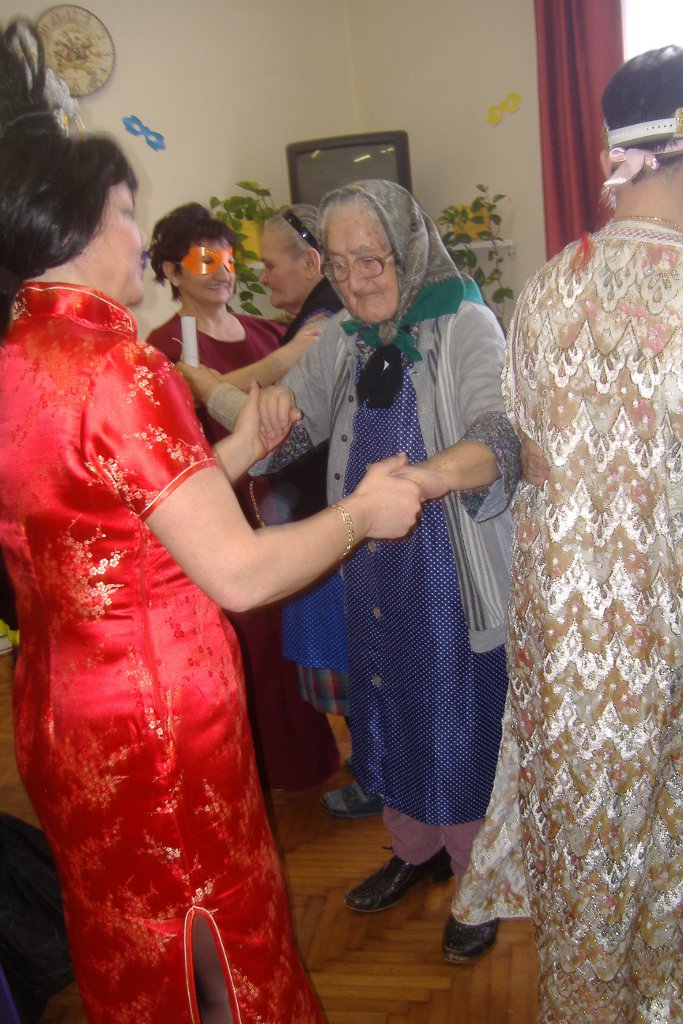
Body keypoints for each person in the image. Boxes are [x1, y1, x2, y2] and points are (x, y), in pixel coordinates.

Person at [0, 23, 422, 1024]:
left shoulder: (18, 358)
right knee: (213, 937)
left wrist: (229, 453)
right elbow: (235, 571)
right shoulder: (118, 365)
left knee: (127, 932)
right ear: (79, 222)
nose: (137, 232)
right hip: (158, 721)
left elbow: (106, 517)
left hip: (61, 710)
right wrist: (362, 511)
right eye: (125, 210)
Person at [212, 179, 520, 959]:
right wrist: (260, 416)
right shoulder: (345, 338)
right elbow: (288, 430)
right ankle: (415, 852)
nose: (354, 282)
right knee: (384, 707)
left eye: (371, 260)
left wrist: (421, 479)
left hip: (447, 567)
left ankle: (477, 881)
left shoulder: (465, 322)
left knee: (457, 722)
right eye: (339, 264)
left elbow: (498, 437)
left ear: (408, 249)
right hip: (371, 560)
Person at [452, 44, 683, 1022]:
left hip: (563, 648)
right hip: (661, 642)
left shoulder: (545, 288)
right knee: (659, 860)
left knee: (586, 865)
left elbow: (522, 457)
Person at [183, 205, 383, 817]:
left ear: (311, 262)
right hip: (309, 519)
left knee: (357, 662)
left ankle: (379, 774)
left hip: (328, 522)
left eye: (268, 264)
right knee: (348, 662)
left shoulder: (327, 326)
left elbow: (285, 419)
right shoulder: (300, 326)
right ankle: (374, 768)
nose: (259, 276)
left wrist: (206, 385)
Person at [147, 202, 340, 791]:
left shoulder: (263, 329)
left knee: (289, 636)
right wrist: (281, 362)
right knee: (246, 641)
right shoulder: (161, 345)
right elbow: (181, 411)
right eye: (204, 260)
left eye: (228, 259)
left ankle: (309, 760)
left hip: (283, 504)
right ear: (172, 271)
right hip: (217, 511)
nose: (222, 272)